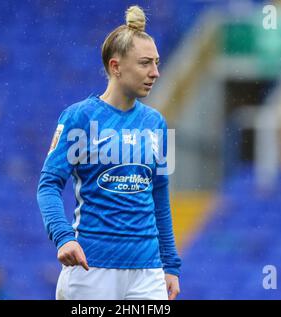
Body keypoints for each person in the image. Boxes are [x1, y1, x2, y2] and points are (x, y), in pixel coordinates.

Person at [37, 5, 181, 300]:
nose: (155, 72)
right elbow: (48, 185)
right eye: (144, 63)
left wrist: (170, 265)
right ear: (115, 67)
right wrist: (63, 237)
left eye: (156, 63)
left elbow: (159, 196)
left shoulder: (157, 124)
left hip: (147, 272)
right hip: (92, 269)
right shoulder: (80, 117)